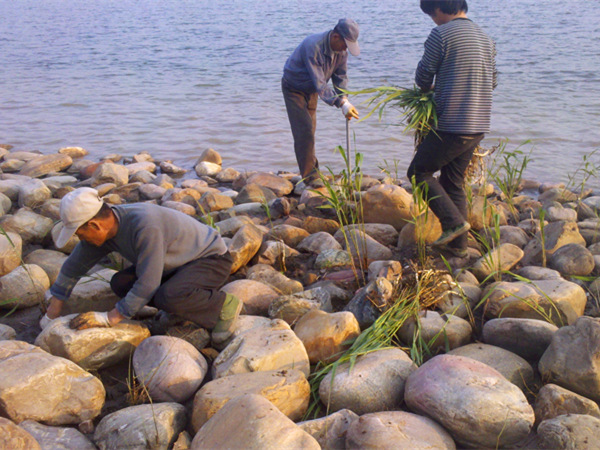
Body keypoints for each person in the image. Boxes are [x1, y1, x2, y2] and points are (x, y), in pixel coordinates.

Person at [40, 187, 240, 344]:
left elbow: (148, 283)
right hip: (175, 264)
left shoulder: (144, 225)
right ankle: (182, 300)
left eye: (79, 234)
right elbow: (74, 266)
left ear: (94, 225)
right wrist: (54, 309)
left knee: (168, 296)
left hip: (210, 260)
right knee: (120, 284)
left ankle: (224, 304)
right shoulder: (106, 229)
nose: (80, 239)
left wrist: (110, 318)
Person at [407, 0, 497, 258]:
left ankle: (453, 224)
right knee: (452, 182)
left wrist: (428, 93)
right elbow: (491, 82)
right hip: (478, 124)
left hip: (451, 124)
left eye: (432, 15)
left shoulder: (441, 34)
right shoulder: (486, 38)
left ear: (438, 9)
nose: (433, 21)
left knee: (418, 172)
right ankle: (459, 248)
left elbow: (424, 75)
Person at [282, 18, 361, 184]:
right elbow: (320, 83)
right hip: (294, 88)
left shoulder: (341, 52)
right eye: (345, 44)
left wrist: (344, 98)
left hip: (312, 90)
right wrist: (341, 103)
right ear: (335, 37)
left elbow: (340, 77)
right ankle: (310, 177)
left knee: (310, 129)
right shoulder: (314, 47)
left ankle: (312, 171)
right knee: (304, 131)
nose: (346, 49)